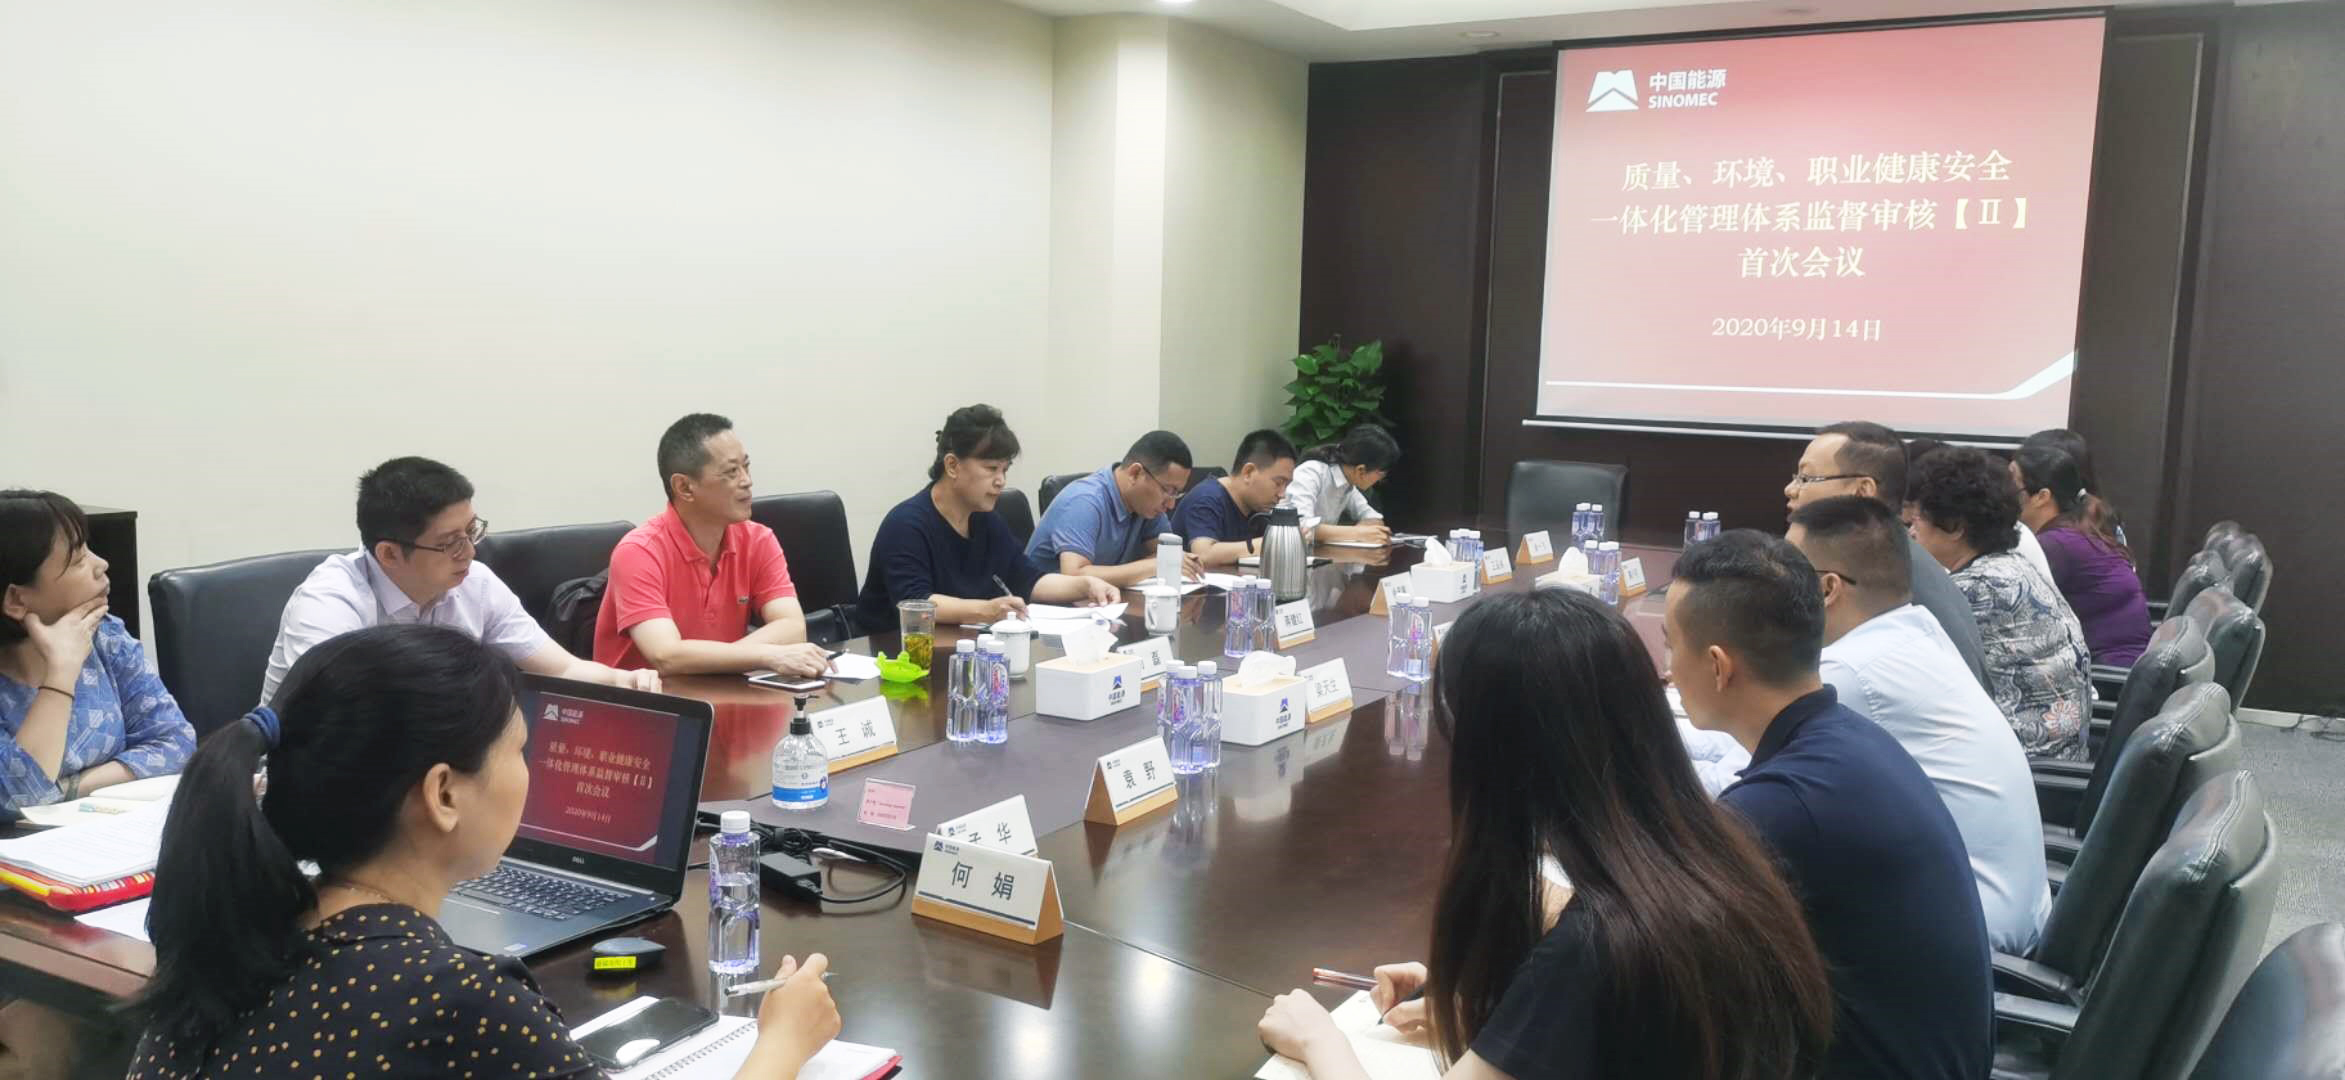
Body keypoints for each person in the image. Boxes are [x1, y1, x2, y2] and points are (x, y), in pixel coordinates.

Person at [126, 625, 838, 1078]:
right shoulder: (456, 1000)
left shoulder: (228, 942)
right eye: (520, 751)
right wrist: (781, 1043)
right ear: (443, 793)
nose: (532, 775)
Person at [1258, 589, 1831, 1080]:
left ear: (1494, 752)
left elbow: (1583, 983)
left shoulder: (1597, 946)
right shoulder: (1717, 855)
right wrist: (1501, 1017)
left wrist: (1319, 1041)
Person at [1667, 530, 1992, 1080]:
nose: (1669, 669)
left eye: (1672, 646)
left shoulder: (1784, 807)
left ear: (1719, 666)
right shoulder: (1848, 739)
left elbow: (1648, 944)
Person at [1788, 496, 2051, 954]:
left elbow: (1740, 773)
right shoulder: (1915, 631)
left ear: (1827, 588)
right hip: (2010, 907)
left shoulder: (1854, 670)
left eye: (1784, 575)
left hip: (1971, 938)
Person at [263, 458, 656, 706]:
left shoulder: (474, 584)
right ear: (389, 554)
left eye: (471, 531)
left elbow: (563, 669)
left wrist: (625, 680)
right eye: (449, 542)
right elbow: (337, 721)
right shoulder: (330, 604)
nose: (469, 551)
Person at [594, 413, 831, 677]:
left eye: (746, 467)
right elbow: (666, 655)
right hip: (648, 699)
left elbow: (793, 626)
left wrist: (721, 662)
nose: (747, 481)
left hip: (720, 692)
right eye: (731, 472)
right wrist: (768, 655)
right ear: (685, 487)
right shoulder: (638, 552)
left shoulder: (758, 540)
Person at [0, 491, 194, 813]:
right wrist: (61, 671)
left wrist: (71, 787)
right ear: (17, 600)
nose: (101, 564)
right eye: (78, 561)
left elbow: (176, 743)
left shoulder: (106, 637)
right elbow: (19, 798)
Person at [857, 405, 1121, 628]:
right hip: (893, 654)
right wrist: (987, 610)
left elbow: (1028, 579)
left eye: (1005, 470)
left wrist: (1085, 585)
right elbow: (916, 603)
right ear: (952, 465)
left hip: (962, 646)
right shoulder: (905, 525)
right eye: (991, 468)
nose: (1001, 481)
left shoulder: (986, 519)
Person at [1909, 447, 2096, 761]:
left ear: (1955, 527)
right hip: (2058, 756)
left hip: (2024, 767)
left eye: (1917, 520)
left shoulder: (1978, 588)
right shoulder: (2013, 566)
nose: (1912, 532)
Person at [1784, 421, 1987, 685]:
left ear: (1863, 490)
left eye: (1807, 478)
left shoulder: (1889, 574)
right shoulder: (1893, 554)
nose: (1790, 489)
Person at [2014, 445, 2152, 667]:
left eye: (2012, 485)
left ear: (2042, 496)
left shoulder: (2057, 545)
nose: (2002, 492)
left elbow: (2014, 613)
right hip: (2112, 662)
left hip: (2106, 671)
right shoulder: (2077, 529)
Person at [1023, 431, 1203, 587]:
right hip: (1046, 608)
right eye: (1167, 490)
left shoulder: (1147, 507)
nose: (1171, 505)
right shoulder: (1084, 501)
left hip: (1102, 604)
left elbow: (1165, 554)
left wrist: (1180, 561)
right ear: (1135, 473)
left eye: (1176, 494)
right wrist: (1155, 565)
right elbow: (1074, 575)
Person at [1173, 429, 1298, 565]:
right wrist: (1272, 542)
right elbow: (1204, 555)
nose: (1282, 494)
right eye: (1278, 483)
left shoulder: (1257, 507)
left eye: (1286, 485)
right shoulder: (1205, 498)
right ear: (1248, 473)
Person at [1288, 424, 1399, 545]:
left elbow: (1374, 518)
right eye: (1381, 474)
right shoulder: (1311, 472)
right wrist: (1359, 533)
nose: (1380, 480)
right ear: (1360, 470)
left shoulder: (1347, 482)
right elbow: (1300, 526)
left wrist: (1365, 530)